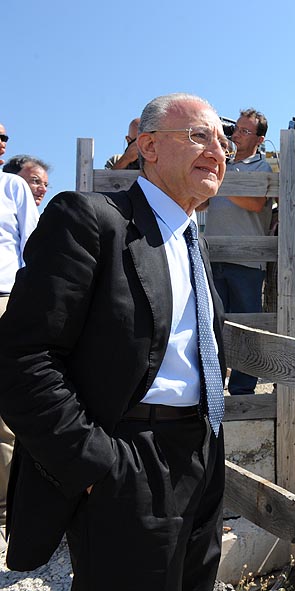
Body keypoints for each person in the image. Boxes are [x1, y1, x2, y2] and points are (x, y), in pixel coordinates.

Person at [0, 93, 228, 591]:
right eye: (199, 135)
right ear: (147, 145)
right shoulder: (90, 220)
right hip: (129, 459)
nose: (218, 150)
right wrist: (93, 465)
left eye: (223, 140)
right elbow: (23, 356)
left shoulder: (193, 240)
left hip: (202, 454)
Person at [203, 108, 272, 395]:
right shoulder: (219, 161)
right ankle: (213, 388)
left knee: (245, 331)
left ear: (259, 139)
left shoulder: (263, 167)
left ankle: (243, 391)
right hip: (213, 256)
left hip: (247, 260)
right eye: (236, 129)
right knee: (211, 328)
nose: (237, 134)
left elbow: (255, 204)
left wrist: (219, 183)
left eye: (245, 131)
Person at [0, 171, 38, 547]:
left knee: (6, 413)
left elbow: (32, 244)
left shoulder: (13, 187)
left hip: (3, 296)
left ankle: (5, 510)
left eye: (4, 138)